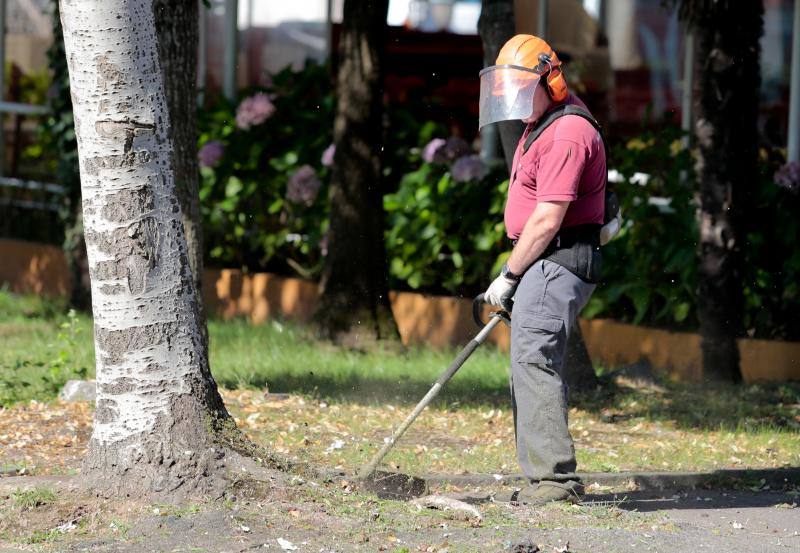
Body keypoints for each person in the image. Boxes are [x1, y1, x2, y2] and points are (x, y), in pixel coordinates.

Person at [480, 34, 609, 505]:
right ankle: (541, 480)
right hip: (544, 257)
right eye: (505, 92)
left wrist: (508, 276)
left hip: (556, 259)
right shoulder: (545, 122)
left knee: (534, 359)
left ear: (550, 81)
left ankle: (554, 484)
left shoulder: (566, 133)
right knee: (527, 361)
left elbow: (548, 217)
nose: (511, 102)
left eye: (520, 90)